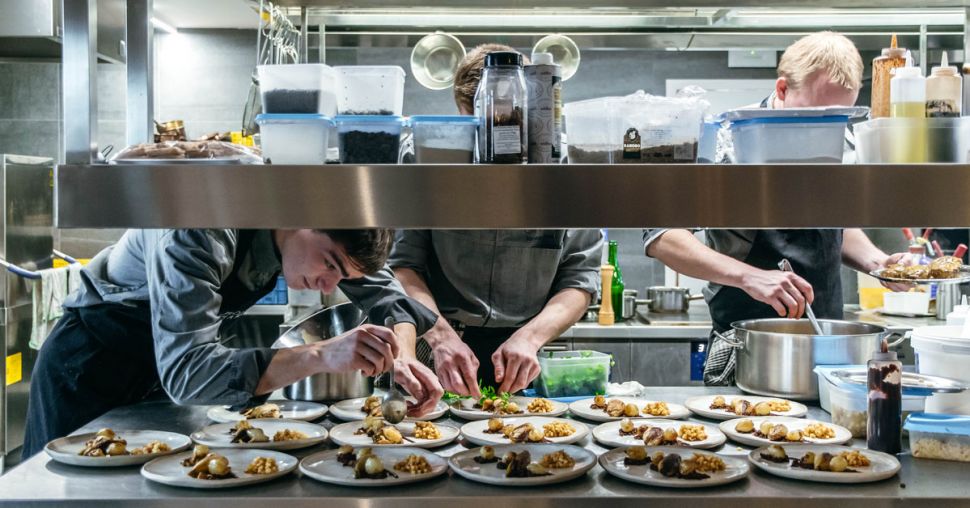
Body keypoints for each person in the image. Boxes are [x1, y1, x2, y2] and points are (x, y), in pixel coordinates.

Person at [23, 228, 442, 457]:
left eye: (344, 279)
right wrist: (320, 353)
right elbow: (189, 374)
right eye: (329, 264)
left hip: (157, 378)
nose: (329, 285)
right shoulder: (199, 230)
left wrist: (402, 356)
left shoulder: (330, 235)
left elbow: (390, 300)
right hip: (89, 366)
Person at [644, 32, 906, 385]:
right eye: (815, 114)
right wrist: (749, 276)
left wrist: (877, 263)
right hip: (747, 348)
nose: (826, 127)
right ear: (782, 90)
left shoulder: (842, 145)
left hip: (827, 347)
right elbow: (663, 236)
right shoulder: (725, 143)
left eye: (839, 116)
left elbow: (833, 226)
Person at [390, 44, 603, 397]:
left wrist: (531, 337)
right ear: (462, 111)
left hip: (523, 348)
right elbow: (403, 266)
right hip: (437, 337)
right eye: (482, 122)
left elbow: (580, 281)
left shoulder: (567, 168)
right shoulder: (427, 157)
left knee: (523, 445)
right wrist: (440, 336)